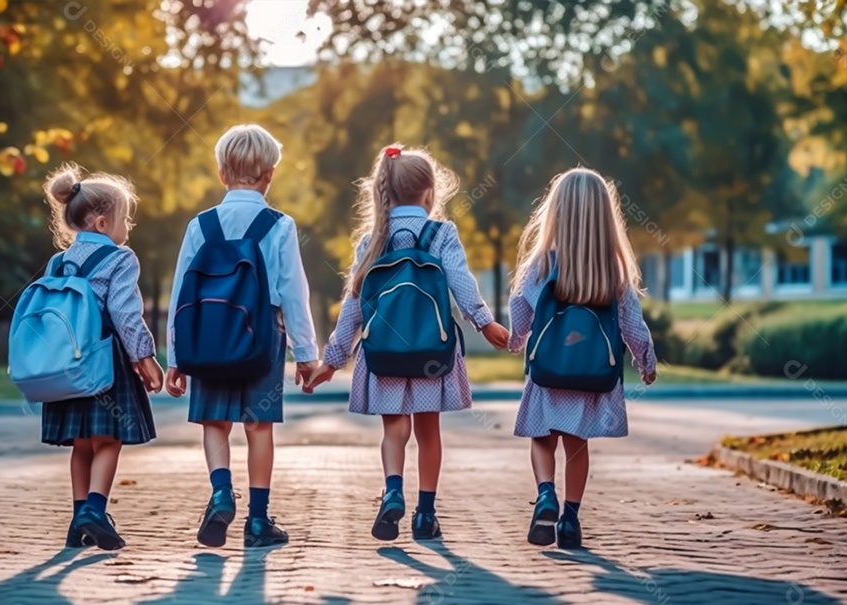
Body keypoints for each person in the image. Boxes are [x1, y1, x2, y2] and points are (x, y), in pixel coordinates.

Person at [306, 144, 508, 541]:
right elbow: (461, 284)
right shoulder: (441, 233)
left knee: (394, 429)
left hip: (384, 353)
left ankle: (393, 490)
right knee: (428, 431)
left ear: (386, 191)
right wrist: (484, 323)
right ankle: (425, 515)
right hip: (433, 353)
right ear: (430, 193)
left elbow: (354, 305)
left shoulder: (373, 241)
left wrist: (331, 361)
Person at [165, 124, 318, 548]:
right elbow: (292, 291)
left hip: (206, 335)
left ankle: (219, 492)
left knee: (215, 422)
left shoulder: (201, 225)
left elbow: (181, 290)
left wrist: (175, 357)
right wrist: (306, 354)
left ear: (221, 174)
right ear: (270, 174)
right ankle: (257, 520)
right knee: (258, 426)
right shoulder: (279, 225)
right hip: (261, 337)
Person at [507, 167, 657, 549]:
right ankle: (570, 519)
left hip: (547, 372)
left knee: (542, 438)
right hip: (591, 375)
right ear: (604, 217)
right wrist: (645, 359)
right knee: (577, 444)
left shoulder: (541, 266)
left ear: (555, 213)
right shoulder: (612, 271)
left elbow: (521, 308)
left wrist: (515, 338)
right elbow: (632, 324)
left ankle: (545, 496)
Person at [40, 163, 164, 551]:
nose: (127, 227)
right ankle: (95, 508)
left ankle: (79, 521)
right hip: (105, 362)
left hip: (66, 364)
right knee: (108, 440)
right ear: (101, 221)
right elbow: (126, 317)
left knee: (81, 444)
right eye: (125, 218)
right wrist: (146, 359)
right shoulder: (120, 258)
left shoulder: (57, 263)